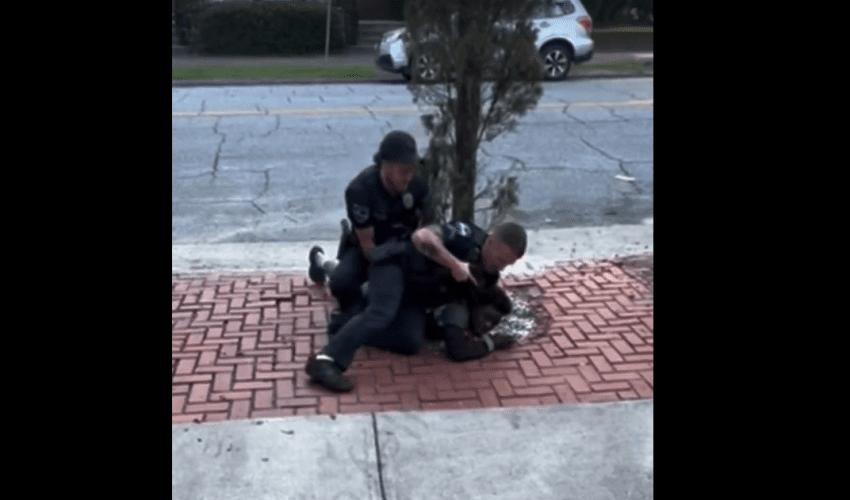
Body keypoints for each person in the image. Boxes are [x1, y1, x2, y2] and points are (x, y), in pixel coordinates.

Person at [305, 220, 527, 393]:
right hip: (398, 271)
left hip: (416, 296)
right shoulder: (465, 235)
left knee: (409, 341)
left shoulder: (488, 275)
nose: (501, 267)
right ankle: (333, 342)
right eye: (500, 259)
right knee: (374, 303)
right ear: (490, 241)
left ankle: (344, 307)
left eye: (507, 264)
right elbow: (423, 236)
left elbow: (486, 292)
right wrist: (454, 264)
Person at [308, 130, 432, 331]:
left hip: (403, 247)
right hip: (368, 249)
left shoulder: (417, 185)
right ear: (385, 165)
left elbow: (428, 228)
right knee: (341, 282)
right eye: (403, 170)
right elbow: (369, 250)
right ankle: (319, 260)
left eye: (412, 169)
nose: (409, 176)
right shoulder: (361, 191)